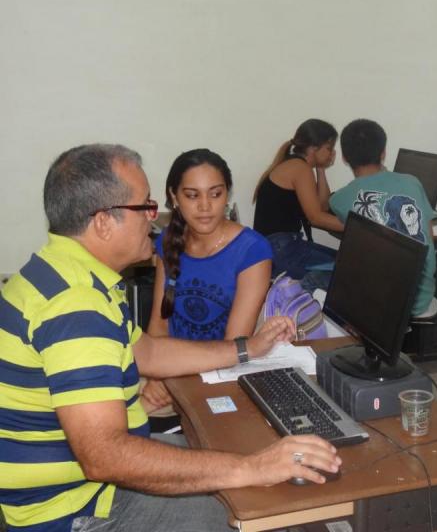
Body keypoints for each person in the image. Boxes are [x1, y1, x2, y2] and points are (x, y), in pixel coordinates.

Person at [0, 144, 340, 532]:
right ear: (103, 222)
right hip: (78, 509)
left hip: (91, 487)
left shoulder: (67, 276)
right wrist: (249, 468)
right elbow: (106, 456)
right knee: (261, 507)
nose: (154, 217)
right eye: (143, 206)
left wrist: (246, 349)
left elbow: (149, 350)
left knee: (245, 463)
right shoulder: (75, 308)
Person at [141, 149, 273, 413]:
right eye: (192, 195)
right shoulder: (168, 241)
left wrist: (169, 379)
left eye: (215, 194)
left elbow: (233, 346)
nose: (205, 206)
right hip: (166, 368)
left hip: (217, 374)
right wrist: (157, 375)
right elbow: (159, 323)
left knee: (127, 421)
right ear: (173, 197)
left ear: (227, 195)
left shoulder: (252, 251)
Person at [329, 119, 437, 317]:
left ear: (344, 157)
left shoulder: (339, 200)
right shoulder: (412, 182)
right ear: (383, 152)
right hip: (421, 298)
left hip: (380, 305)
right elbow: (429, 234)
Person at [252, 119, 342, 290]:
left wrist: (321, 168)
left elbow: (321, 208)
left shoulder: (298, 165)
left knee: (343, 262)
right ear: (314, 148)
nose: (332, 153)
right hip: (281, 249)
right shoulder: (299, 168)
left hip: (281, 247)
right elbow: (316, 218)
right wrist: (353, 228)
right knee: (346, 270)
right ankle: (303, 287)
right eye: (329, 148)